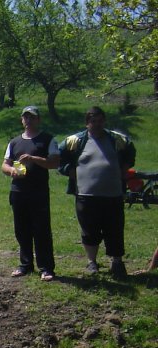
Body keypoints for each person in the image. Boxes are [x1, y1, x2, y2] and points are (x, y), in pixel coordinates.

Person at [58, 106, 136, 278]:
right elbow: (57, 157)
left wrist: (124, 168)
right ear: (87, 123)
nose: (97, 124)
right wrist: (68, 170)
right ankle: (92, 262)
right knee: (89, 230)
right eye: (93, 121)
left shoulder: (117, 139)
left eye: (100, 121)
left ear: (104, 121)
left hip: (113, 195)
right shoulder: (75, 141)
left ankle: (117, 262)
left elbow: (131, 153)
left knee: (114, 229)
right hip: (86, 195)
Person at [2, 106, 59, 281]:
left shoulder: (47, 140)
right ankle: (25, 265)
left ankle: (46, 268)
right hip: (18, 192)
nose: (28, 120)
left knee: (41, 230)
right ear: (22, 120)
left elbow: (54, 163)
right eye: (25, 117)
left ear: (38, 120)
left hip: (38, 192)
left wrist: (33, 159)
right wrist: (11, 170)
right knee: (21, 230)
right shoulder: (14, 142)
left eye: (32, 117)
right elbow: (4, 164)